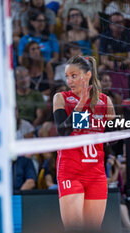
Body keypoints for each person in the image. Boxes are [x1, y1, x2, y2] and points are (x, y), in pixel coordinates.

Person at [53, 55, 115, 232]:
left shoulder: (105, 101)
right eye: (67, 76)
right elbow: (63, 131)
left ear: (87, 75)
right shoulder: (61, 98)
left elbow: (111, 138)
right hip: (71, 171)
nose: (69, 80)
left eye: (74, 75)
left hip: (96, 173)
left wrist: (116, 123)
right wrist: (81, 104)